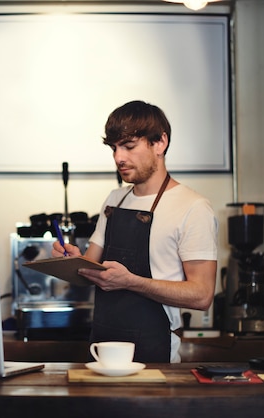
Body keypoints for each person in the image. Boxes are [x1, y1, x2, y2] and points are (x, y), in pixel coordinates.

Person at [52, 100, 218, 363]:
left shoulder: (193, 207)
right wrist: (72, 260)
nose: (119, 158)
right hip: (103, 347)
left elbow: (202, 295)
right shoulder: (114, 200)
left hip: (154, 349)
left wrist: (132, 282)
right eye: (114, 148)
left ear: (160, 143)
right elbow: (91, 270)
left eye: (129, 146)